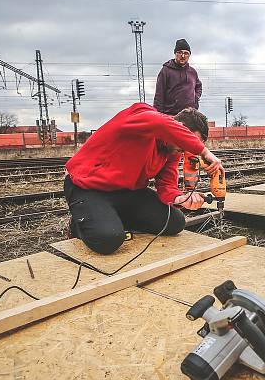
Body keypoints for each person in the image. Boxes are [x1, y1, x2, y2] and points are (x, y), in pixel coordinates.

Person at [64, 104, 223, 255]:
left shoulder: (172, 151)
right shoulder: (141, 115)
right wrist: (203, 151)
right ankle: (80, 225)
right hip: (87, 187)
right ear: (177, 127)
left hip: (127, 192)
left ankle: (109, 218)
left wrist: (180, 198)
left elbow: (167, 185)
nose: (186, 148)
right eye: (186, 140)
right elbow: (160, 122)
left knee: (174, 222)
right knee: (108, 239)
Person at [153, 39, 202, 115]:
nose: (183, 56)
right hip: (171, 115)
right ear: (175, 54)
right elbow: (159, 95)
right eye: (180, 53)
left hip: (190, 116)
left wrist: (195, 99)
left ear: (189, 55)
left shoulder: (193, 72)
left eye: (186, 53)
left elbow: (198, 86)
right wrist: (158, 115)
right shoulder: (166, 71)